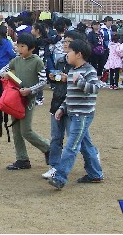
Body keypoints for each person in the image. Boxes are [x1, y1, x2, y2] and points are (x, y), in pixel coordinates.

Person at [48, 39, 103, 189]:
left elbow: (95, 88)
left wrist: (80, 82)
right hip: (74, 114)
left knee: (71, 146)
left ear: (79, 54)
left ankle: (60, 177)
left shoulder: (89, 70)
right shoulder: (72, 71)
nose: (67, 54)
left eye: (70, 52)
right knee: (85, 145)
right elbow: (70, 95)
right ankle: (95, 173)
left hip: (82, 115)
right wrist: (62, 108)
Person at [0, 33, 50, 171]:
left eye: (23, 46)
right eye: (18, 46)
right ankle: (22, 159)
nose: (19, 49)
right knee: (16, 131)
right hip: (15, 99)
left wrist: (30, 90)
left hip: (28, 100)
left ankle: (48, 147)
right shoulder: (16, 60)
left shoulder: (37, 61)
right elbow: (3, 70)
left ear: (32, 48)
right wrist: (5, 74)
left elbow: (43, 81)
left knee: (26, 131)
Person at [42, 29, 84, 180]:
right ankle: (54, 166)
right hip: (57, 101)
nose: (65, 44)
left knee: (75, 138)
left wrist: (69, 79)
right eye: (64, 41)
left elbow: (85, 86)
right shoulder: (60, 61)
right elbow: (57, 81)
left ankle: (91, 158)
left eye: (69, 42)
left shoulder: (81, 65)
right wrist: (53, 77)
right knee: (56, 137)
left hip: (73, 105)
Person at [0, 24, 16, 98]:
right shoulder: (7, 42)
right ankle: (3, 97)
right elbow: (11, 53)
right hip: (4, 64)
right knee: (4, 82)